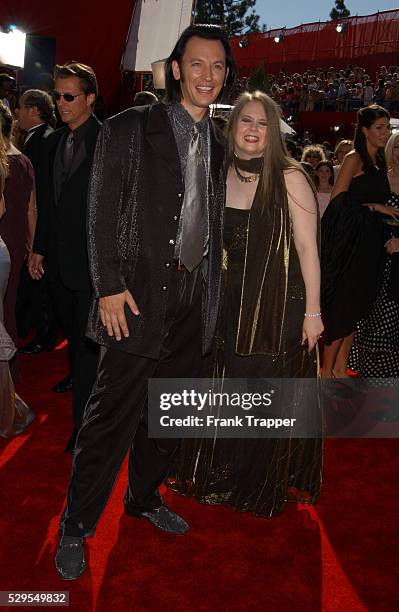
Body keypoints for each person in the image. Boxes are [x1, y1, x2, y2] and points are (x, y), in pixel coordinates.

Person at [54, 24, 236, 581]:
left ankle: (143, 497)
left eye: (218, 66)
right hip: (133, 296)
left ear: (225, 75)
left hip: (194, 293)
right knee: (110, 418)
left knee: (171, 411)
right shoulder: (133, 126)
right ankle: (76, 526)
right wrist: (107, 284)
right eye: (197, 64)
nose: (207, 75)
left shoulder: (222, 138)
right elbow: (102, 209)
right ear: (176, 68)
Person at [170, 91, 323, 517]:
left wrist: (313, 313)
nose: (253, 130)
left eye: (262, 123)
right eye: (246, 121)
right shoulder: (218, 173)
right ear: (232, 126)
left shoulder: (290, 176)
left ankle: (254, 484)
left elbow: (309, 250)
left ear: (273, 132)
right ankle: (219, 477)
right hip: (225, 299)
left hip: (275, 303)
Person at [28, 63, 102, 449]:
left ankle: (85, 429)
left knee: (89, 350)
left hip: (93, 268)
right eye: (57, 96)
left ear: (90, 98)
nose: (61, 104)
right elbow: (47, 202)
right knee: (76, 343)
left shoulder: (107, 141)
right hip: (57, 264)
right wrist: (39, 247)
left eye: (69, 97)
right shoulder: (52, 141)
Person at [321, 105, 399, 379]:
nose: (385, 132)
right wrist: (375, 207)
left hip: (370, 250)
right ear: (364, 130)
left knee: (355, 313)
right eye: (379, 127)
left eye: (387, 127)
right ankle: (325, 376)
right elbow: (336, 205)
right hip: (350, 250)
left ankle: (340, 372)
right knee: (342, 313)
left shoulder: (378, 164)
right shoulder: (354, 158)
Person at [348, 130, 399, 377]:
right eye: (397, 147)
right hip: (375, 259)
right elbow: (355, 206)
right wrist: (378, 206)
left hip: (397, 264)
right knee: (371, 321)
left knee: (391, 324)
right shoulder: (380, 178)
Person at [15, 90, 58, 355]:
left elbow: (41, 191)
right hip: (34, 224)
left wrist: (36, 234)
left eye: (20, 107)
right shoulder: (36, 138)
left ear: (34, 110)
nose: (16, 111)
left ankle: (44, 335)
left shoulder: (46, 140)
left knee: (41, 284)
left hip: (41, 225)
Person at [0, 127, 35, 436]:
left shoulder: (6, 162)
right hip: (10, 246)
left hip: (4, 246)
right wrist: (32, 245)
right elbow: (31, 209)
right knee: (6, 314)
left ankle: (7, 405)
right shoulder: (20, 160)